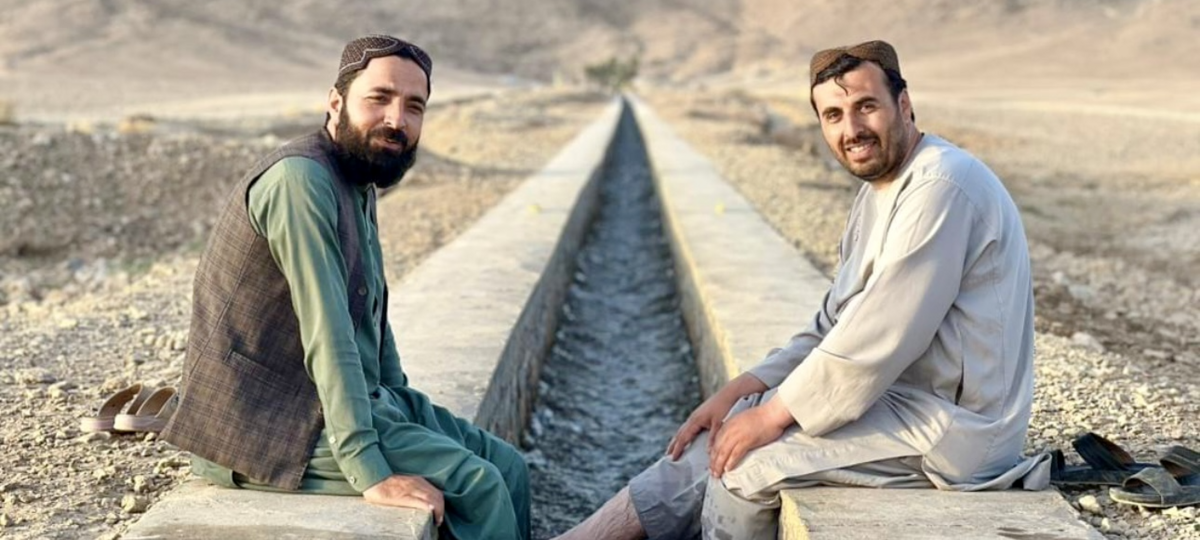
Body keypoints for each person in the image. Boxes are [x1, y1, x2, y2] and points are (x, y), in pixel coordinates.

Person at [555, 40, 1047, 540]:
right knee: (722, 435)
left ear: (903, 104)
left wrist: (773, 414)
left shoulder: (944, 184)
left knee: (742, 468)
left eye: (866, 107)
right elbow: (832, 326)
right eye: (833, 115)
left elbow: (879, 338)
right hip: (900, 402)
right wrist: (740, 390)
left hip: (955, 429)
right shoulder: (878, 194)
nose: (851, 130)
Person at [162, 35, 530, 540]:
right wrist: (371, 472)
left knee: (509, 466)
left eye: (413, 106)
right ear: (336, 103)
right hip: (262, 425)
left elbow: (371, 312)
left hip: (329, 403)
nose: (396, 120)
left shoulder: (357, 178)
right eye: (379, 99)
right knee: (479, 485)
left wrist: (399, 401)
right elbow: (328, 332)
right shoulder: (301, 182)